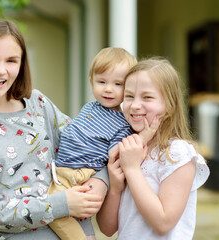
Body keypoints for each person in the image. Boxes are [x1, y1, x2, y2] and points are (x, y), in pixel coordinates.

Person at [0, 18, 108, 240]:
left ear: (21, 65)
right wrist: (61, 205)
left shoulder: (37, 102)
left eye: (11, 61)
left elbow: (87, 146)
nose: (0, 70)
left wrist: (100, 182)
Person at [96, 58, 210, 239]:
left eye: (147, 97)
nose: (134, 105)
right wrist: (116, 188)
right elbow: (107, 229)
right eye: (129, 96)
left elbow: (163, 223)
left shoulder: (177, 153)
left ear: (170, 105)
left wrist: (132, 170)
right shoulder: (127, 148)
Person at [47, 47, 141, 240]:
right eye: (102, 81)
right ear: (91, 81)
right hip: (62, 171)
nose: (108, 89)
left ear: (129, 89)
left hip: (83, 173)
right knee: (59, 209)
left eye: (118, 84)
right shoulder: (89, 107)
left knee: (56, 212)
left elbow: (115, 156)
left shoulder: (123, 123)